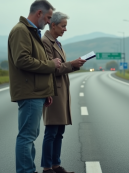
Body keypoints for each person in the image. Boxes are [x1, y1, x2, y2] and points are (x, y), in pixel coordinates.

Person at [8, 0, 62, 173]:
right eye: (48, 17)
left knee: (30, 137)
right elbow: (22, 60)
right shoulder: (21, 31)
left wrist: (45, 91)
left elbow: (35, 61)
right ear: (39, 13)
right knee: (26, 137)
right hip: (29, 92)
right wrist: (51, 64)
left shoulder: (31, 31)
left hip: (35, 92)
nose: (48, 22)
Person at [41, 12, 86, 173]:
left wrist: (74, 65)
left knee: (59, 131)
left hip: (61, 92)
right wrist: (71, 64)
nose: (65, 29)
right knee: (51, 131)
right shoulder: (45, 42)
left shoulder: (57, 43)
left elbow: (60, 66)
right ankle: (47, 168)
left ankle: (56, 166)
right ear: (53, 25)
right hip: (52, 92)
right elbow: (50, 68)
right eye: (63, 26)